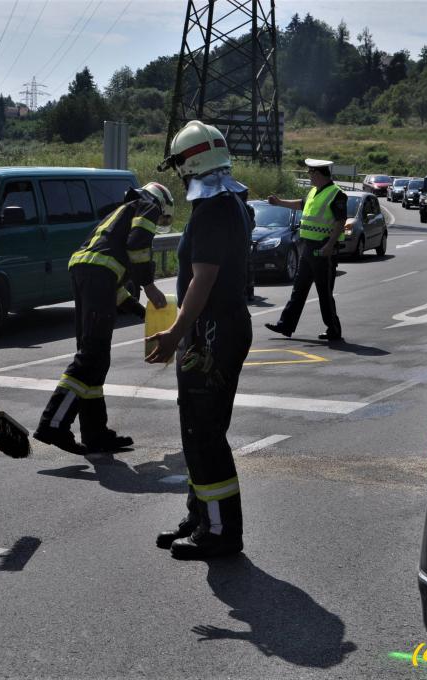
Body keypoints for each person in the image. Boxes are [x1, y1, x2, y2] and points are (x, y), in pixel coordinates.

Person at [146, 120, 253, 560]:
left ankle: (220, 531)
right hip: (217, 330)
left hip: (211, 333)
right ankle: (201, 517)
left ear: (189, 164)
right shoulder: (232, 201)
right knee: (198, 430)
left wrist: (175, 333)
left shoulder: (212, 210)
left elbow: (202, 279)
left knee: (204, 432)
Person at [34, 182, 173, 454]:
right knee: (91, 356)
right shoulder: (147, 206)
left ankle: (95, 432)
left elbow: (112, 282)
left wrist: (141, 312)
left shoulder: (119, 214)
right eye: (163, 219)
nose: (159, 222)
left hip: (87, 274)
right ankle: (53, 423)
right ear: (161, 203)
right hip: (97, 277)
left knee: (96, 358)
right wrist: (149, 285)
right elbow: (137, 246)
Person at [264, 159, 347, 342]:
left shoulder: (336, 194)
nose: (309, 176)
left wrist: (329, 245)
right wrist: (279, 202)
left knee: (324, 293)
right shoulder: (314, 191)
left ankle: (333, 329)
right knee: (299, 289)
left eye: (310, 172)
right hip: (308, 248)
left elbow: (341, 222)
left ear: (318, 173)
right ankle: (285, 325)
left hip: (323, 250)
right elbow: (300, 204)